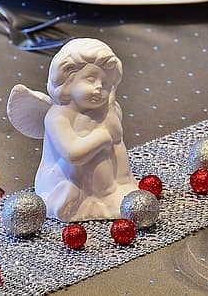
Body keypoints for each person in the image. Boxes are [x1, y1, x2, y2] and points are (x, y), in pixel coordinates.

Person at [7, 38, 137, 221]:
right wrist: (101, 137)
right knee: (93, 152)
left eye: (106, 84)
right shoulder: (58, 117)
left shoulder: (108, 112)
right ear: (67, 81)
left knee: (107, 152)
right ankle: (66, 197)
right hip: (60, 177)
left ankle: (109, 194)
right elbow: (73, 154)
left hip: (103, 184)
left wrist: (124, 183)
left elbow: (117, 144)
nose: (100, 88)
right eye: (91, 79)